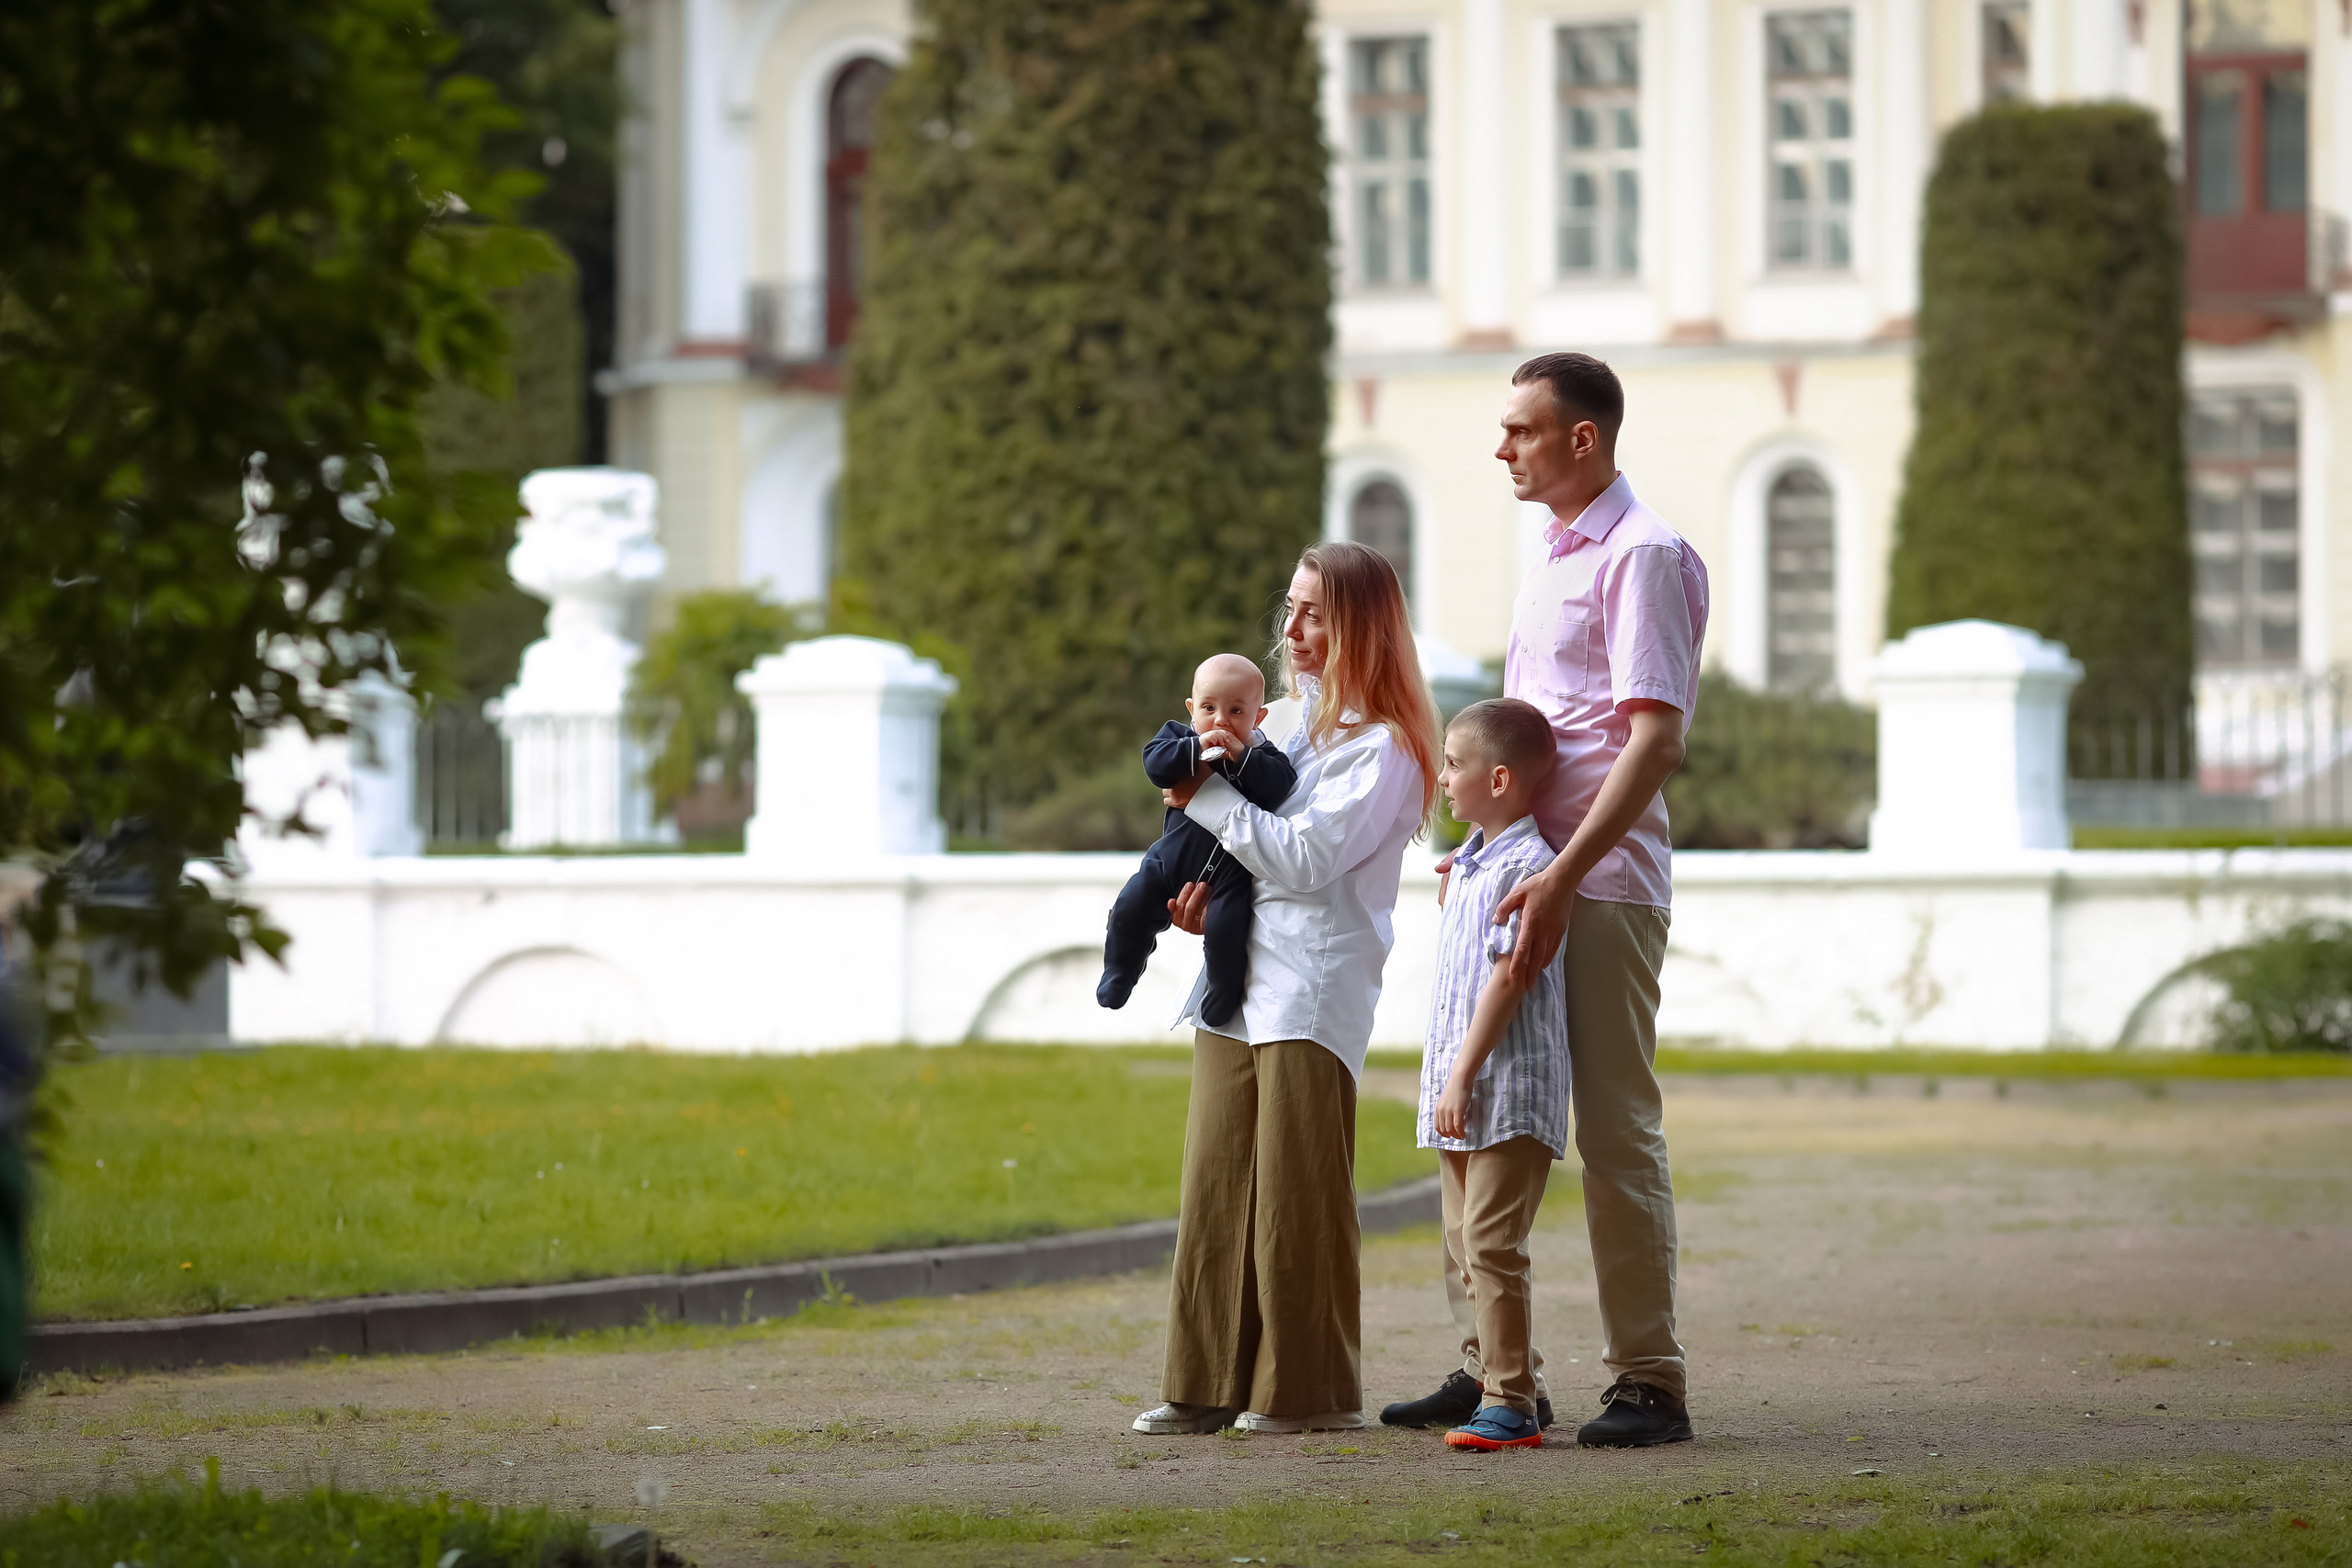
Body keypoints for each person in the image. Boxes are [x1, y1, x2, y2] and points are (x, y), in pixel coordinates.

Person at [1387, 352, 1709, 1449]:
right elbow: (1530, 742)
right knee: (1472, 1111)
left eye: (1521, 430)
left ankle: (1648, 1381)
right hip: (1523, 878)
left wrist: (1562, 875)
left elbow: (1652, 740)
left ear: (1584, 438)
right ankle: (1494, 1373)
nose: (1501, 448)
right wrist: (1485, 851)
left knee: (1615, 1129)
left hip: (1600, 886)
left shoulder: (1643, 555)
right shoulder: (1551, 553)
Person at [1129, 541, 1440, 1438]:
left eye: (1316, 614)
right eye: (1291, 610)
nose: (1295, 631)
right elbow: (1250, 844)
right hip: (1238, 978)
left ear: (1362, 627)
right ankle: (1203, 1386)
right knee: (1216, 1186)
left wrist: (1198, 798)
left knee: (1295, 1198)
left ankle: (1305, 1394)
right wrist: (1200, 897)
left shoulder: (1385, 750)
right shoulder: (1289, 723)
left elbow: (1305, 859)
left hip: (1311, 986)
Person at [1410, 697, 1570, 1451]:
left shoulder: (1528, 869)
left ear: (1500, 778)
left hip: (1502, 1091)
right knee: (1462, 1244)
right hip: (1462, 1094)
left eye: (1453, 763)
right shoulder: (1472, 863)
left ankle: (1507, 1401)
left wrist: (1461, 1075)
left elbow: (1508, 979)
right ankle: (1512, 1382)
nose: (1442, 777)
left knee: (1492, 1244)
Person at [1097, 653, 1297, 1027]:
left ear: (1259, 717)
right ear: (1192, 708)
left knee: (1228, 930)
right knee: (1129, 906)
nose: (1220, 720)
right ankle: (1120, 970)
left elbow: (1280, 785)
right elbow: (1155, 765)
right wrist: (1197, 747)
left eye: (1236, 711)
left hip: (1229, 879)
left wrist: (1240, 755)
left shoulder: (1264, 755)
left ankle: (1222, 993)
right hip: (1168, 863)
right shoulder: (1179, 738)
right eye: (1209, 707)